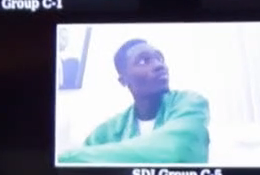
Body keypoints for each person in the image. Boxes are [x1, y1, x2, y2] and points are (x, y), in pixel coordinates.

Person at [57, 38, 210, 165]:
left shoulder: (190, 103)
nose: (159, 65)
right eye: (144, 61)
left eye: (159, 58)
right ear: (123, 80)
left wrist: (66, 158)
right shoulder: (106, 133)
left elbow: (174, 150)